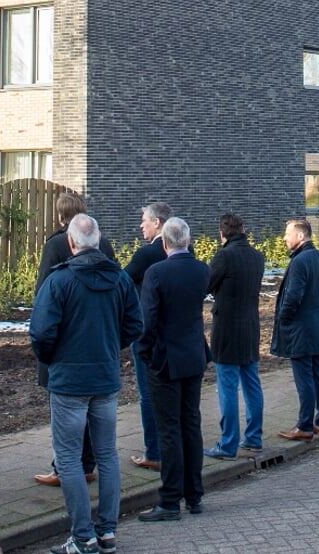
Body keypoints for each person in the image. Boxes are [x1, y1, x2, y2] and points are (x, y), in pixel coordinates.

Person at [30, 213, 141, 554]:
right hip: (105, 378)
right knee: (107, 454)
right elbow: (135, 325)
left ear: (71, 242)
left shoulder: (59, 281)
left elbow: (41, 332)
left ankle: (83, 536)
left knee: (68, 458)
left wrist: (55, 358)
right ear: (99, 240)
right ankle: (107, 531)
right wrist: (108, 347)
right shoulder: (120, 279)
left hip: (69, 381)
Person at [33, 192, 115, 489]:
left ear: (60, 218)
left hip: (64, 343)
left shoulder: (56, 245)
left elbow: (43, 294)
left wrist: (43, 345)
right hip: (99, 342)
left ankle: (63, 468)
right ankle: (89, 465)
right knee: (94, 410)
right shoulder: (102, 244)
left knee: (65, 411)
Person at [135, 216, 210, 521]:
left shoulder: (157, 273)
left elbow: (148, 319)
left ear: (164, 243)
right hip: (193, 355)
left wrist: (143, 351)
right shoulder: (202, 270)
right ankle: (194, 495)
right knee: (190, 423)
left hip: (165, 359)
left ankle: (169, 500)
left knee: (168, 429)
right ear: (188, 241)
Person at [204, 212, 264, 458]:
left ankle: (228, 443)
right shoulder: (257, 256)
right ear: (243, 230)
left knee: (227, 386)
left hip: (227, 329)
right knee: (252, 383)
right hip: (250, 326)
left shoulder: (224, 255)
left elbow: (205, 284)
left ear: (222, 234)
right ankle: (254, 437)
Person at [271, 219, 319, 441]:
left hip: (300, 329)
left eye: (288, 234)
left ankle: (305, 425)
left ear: (300, 236)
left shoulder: (299, 262)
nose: (284, 238)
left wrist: (284, 318)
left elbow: (293, 297)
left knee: (304, 377)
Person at [121, 201, 171, 473]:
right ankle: (172, 449)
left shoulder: (147, 254)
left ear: (158, 223)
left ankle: (154, 452)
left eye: (144, 220)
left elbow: (121, 283)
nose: (141, 225)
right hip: (172, 334)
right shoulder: (180, 251)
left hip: (147, 335)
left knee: (148, 394)